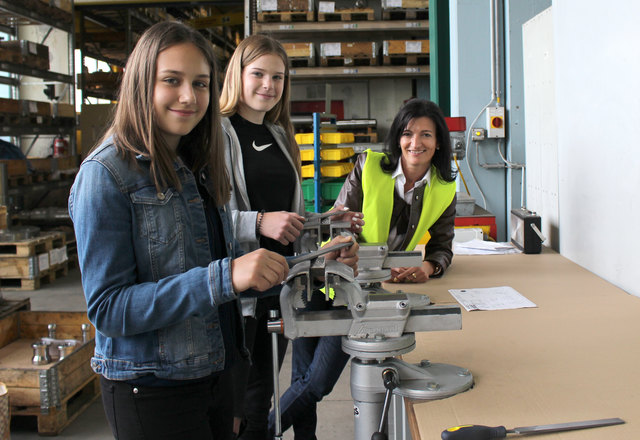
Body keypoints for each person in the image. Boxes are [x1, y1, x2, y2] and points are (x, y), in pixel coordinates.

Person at [68, 22, 289, 440]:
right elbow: (109, 309)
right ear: (140, 83)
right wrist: (225, 275)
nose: (190, 96)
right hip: (153, 390)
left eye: (201, 84)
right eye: (172, 80)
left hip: (214, 375)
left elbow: (216, 278)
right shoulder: (106, 175)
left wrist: (309, 265)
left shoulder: (196, 165)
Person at [219, 34, 360, 440]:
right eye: (258, 73)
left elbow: (289, 218)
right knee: (243, 406)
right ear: (238, 75)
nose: (268, 85)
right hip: (238, 293)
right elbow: (203, 221)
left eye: (277, 77)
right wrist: (257, 222)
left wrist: (326, 222)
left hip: (280, 286)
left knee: (261, 399)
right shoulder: (219, 133)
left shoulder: (281, 136)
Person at [335, 98, 457, 282]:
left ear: (438, 142)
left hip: (397, 282)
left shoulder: (444, 188)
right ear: (398, 139)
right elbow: (339, 226)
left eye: (426, 135)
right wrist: (374, 265)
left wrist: (428, 267)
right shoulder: (367, 167)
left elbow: (442, 245)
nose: (415, 144)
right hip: (348, 276)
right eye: (407, 134)